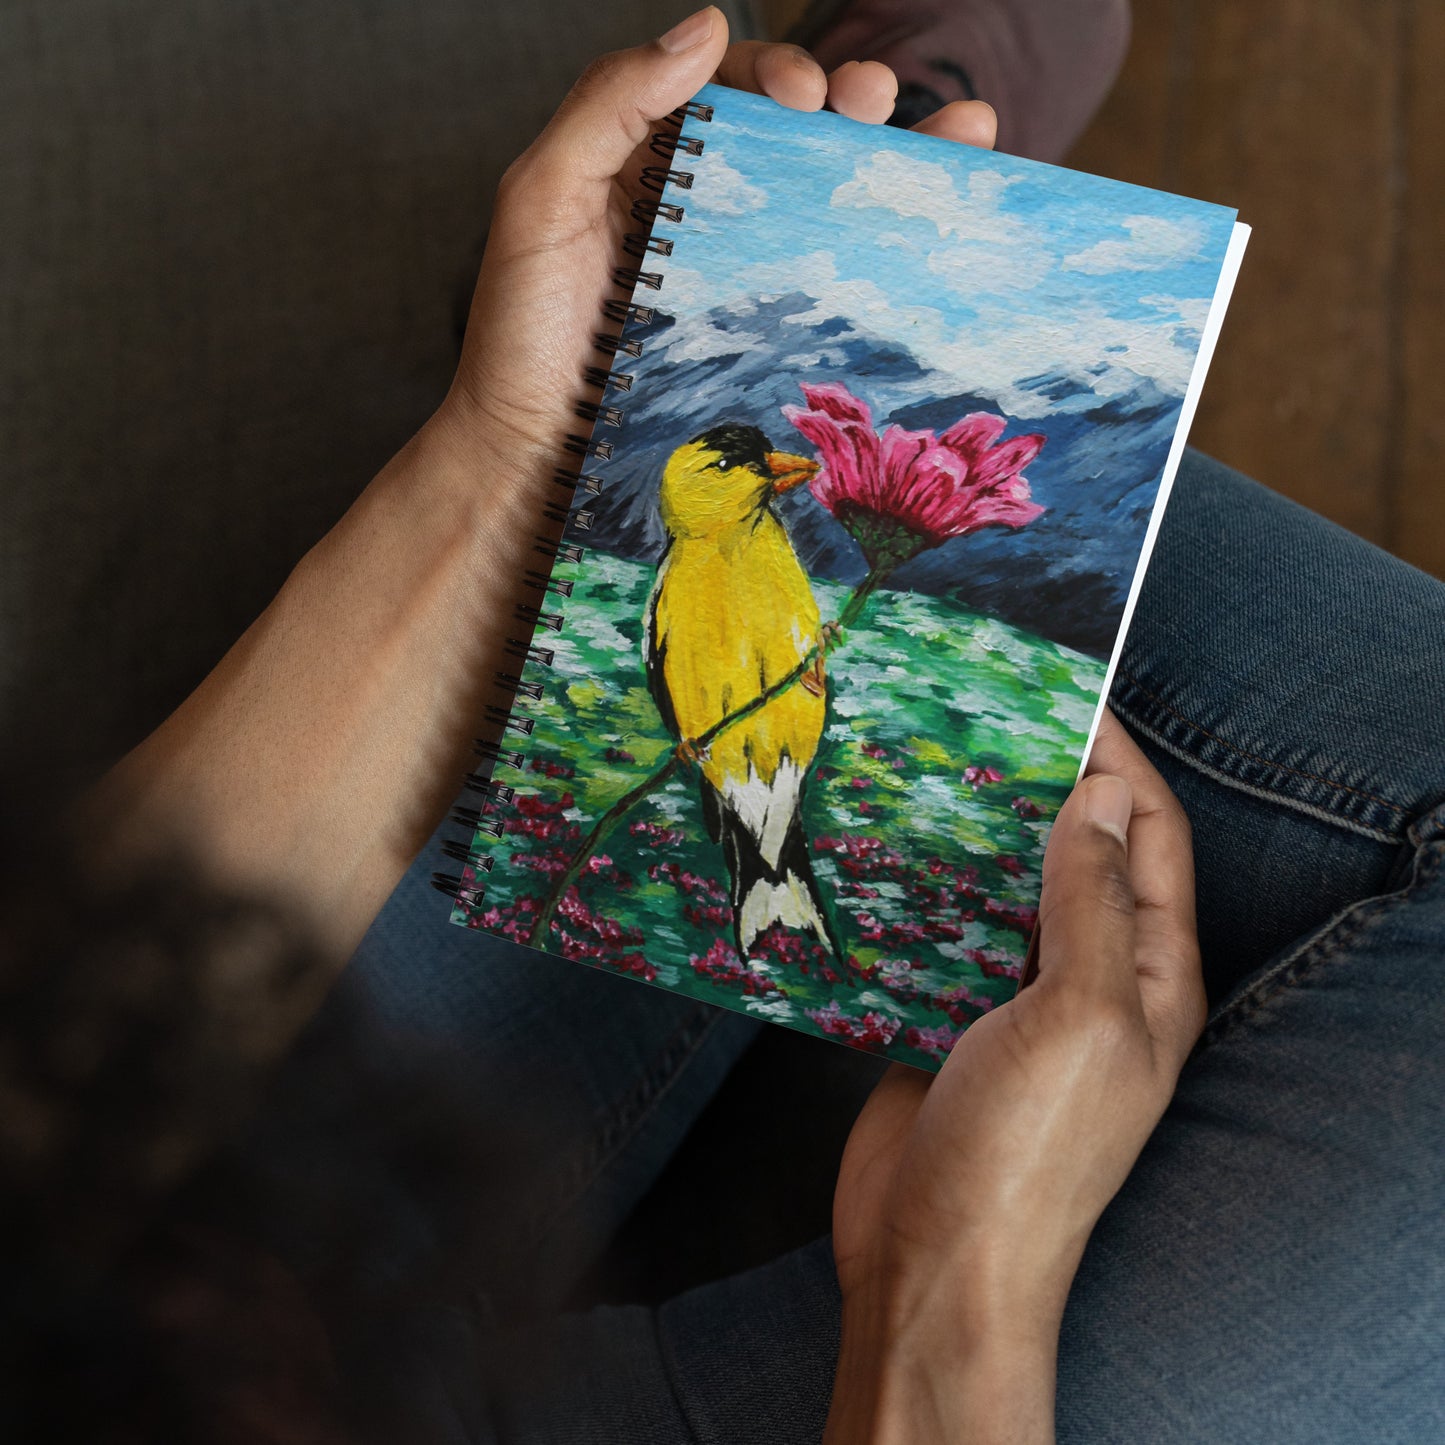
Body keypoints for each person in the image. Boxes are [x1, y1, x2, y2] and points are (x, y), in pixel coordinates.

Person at [4, 7, 1442, 1442]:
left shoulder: (744, 538)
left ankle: (713, 288)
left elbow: (48, 1076)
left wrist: (504, 458)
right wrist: (947, 1297)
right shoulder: (699, 570)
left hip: (142, 1278)